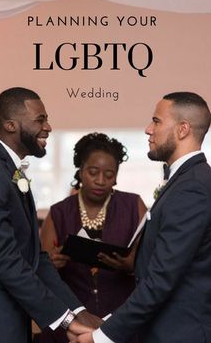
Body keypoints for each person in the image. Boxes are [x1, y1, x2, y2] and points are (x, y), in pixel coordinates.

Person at [72, 92, 211, 343]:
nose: (148, 129)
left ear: (182, 129)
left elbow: (161, 279)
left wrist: (101, 337)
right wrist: (109, 322)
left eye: (156, 121)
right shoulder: (186, 181)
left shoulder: (192, 187)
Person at [0, 87, 100, 343]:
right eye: (40, 119)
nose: (49, 126)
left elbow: (35, 257)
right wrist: (66, 320)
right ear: (11, 125)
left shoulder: (9, 170)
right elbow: (5, 259)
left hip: (11, 319)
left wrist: (78, 311)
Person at [39, 132, 147, 343]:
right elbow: (42, 269)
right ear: (80, 171)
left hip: (120, 317)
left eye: (109, 174)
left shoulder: (134, 206)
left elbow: (151, 263)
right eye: (93, 172)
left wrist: (131, 266)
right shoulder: (59, 212)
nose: (101, 181)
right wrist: (54, 263)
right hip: (72, 319)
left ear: (116, 176)